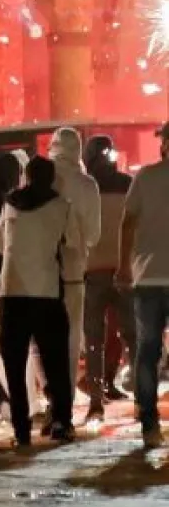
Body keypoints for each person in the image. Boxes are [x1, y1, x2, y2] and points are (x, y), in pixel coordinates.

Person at [0, 155, 79, 447]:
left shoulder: (9, 202)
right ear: (52, 178)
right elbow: (74, 242)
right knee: (55, 361)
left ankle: (21, 430)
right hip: (46, 291)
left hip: (12, 290)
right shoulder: (61, 205)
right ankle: (61, 422)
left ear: (26, 177)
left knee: (15, 364)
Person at [119, 122, 169, 449]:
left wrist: (123, 267)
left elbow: (128, 222)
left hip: (148, 278)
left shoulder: (145, 177)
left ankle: (149, 423)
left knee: (147, 351)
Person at [44, 128, 100, 415]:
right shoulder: (87, 184)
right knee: (70, 339)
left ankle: (50, 398)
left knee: (43, 340)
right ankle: (63, 407)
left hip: (41, 272)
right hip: (75, 270)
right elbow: (93, 235)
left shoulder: (38, 177)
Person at [81, 134, 134, 419]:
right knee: (133, 337)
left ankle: (95, 404)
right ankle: (142, 401)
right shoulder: (128, 184)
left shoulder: (86, 187)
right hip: (124, 269)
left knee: (94, 340)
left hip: (93, 270)